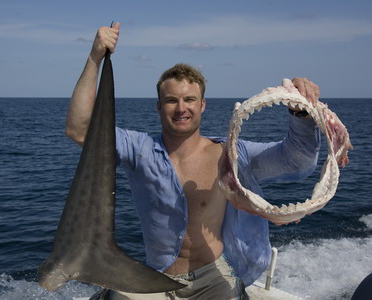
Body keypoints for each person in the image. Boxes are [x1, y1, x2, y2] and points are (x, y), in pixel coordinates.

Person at [66, 23, 321, 300]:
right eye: (171, 100)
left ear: (202, 105)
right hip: (155, 277)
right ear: (158, 106)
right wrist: (94, 57)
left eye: (190, 99)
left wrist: (302, 114)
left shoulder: (230, 155)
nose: (181, 108)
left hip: (213, 276)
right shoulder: (138, 149)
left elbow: (297, 162)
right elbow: (79, 128)